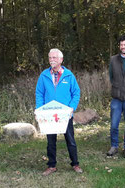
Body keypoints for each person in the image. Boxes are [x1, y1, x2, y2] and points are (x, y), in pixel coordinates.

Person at [35, 48, 83, 176]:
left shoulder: (69, 75)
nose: (52, 60)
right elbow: (39, 93)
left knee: (70, 140)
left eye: (54, 58)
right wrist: (39, 110)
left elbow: (76, 93)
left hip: (65, 115)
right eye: (50, 58)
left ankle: (75, 164)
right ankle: (51, 165)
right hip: (49, 114)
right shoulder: (44, 75)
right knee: (51, 141)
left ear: (61, 59)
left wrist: (71, 108)